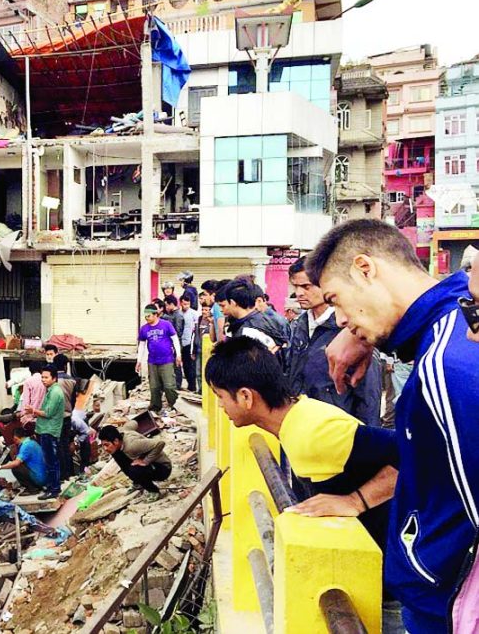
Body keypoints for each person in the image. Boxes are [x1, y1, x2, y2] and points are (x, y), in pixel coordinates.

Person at [304, 218, 479, 633]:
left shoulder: (445, 368)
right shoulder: (455, 323)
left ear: (366, 269)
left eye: (338, 300)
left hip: (448, 605)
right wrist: (376, 338)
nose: (341, 319)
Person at [204, 337, 397, 546]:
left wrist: (356, 501)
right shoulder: (293, 421)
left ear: (245, 397)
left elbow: (417, 452)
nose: (221, 406)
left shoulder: (315, 431)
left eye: (220, 396)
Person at [285, 256, 381, 426]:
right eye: (296, 287)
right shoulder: (297, 326)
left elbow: (368, 396)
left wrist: (366, 444)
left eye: (306, 286)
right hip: (301, 426)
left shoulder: (351, 330)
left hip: (337, 430)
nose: (299, 293)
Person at [98, 422, 172, 495]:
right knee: (116, 454)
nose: (105, 449)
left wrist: (146, 461)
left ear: (116, 441)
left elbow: (160, 443)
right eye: (103, 445)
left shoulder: (132, 445)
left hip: (163, 468)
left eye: (107, 445)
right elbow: (134, 422)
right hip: (149, 464)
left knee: (135, 470)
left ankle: (154, 491)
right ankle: (138, 483)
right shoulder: (122, 431)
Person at [218, 280, 289, 353]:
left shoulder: (247, 332)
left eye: (224, 305)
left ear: (233, 303)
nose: (221, 309)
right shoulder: (263, 319)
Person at [137, 305, 182, 412]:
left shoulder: (166, 325)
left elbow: (175, 339)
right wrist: (139, 360)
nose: (146, 318)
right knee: (154, 386)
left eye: (148, 316)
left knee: (169, 385)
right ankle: (155, 406)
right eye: (145, 316)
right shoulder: (144, 329)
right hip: (152, 361)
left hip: (167, 360)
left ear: (155, 314)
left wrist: (178, 355)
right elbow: (142, 345)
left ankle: (175, 405)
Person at [30, 364, 65, 500]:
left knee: (51, 461)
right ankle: (52, 486)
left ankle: (54, 489)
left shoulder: (55, 392)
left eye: (46, 377)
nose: (43, 380)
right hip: (46, 429)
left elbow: (48, 413)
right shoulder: (51, 390)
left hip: (49, 430)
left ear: (54, 378)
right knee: (50, 461)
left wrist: (33, 411)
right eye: (42, 377)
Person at [0, 427, 46, 492]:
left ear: (15, 438)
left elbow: (16, 463)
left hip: (40, 479)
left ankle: (32, 489)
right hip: (45, 476)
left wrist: (0, 467)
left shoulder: (25, 446)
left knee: (16, 468)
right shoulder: (32, 442)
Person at [178, 295, 201, 393]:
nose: (186, 306)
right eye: (184, 304)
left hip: (189, 343)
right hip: (180, 342)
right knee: (183, 365)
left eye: (188, 304)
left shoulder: (194, 314)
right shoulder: (178, 313)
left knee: (189, 366)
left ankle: (192, 386)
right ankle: (188, 384)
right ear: (181, 303)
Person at [18, 362, 46, 431]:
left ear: (30, 371)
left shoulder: (28, 381)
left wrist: (23, 415)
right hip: (44, 416)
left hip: (31, 417)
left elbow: (26, 402)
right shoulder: (46, 380)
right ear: (41, 370)